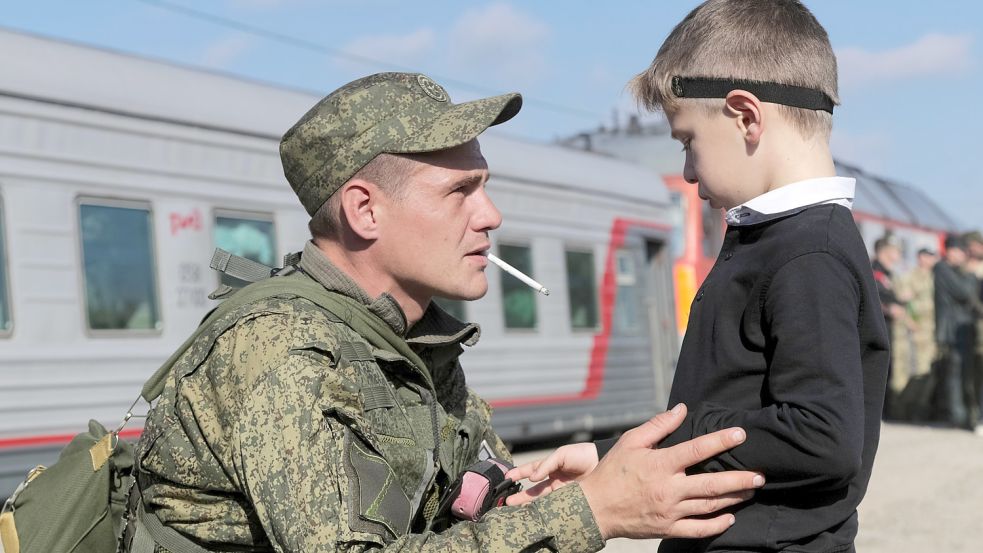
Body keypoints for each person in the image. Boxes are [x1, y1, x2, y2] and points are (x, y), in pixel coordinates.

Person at [122, 72, 765, 553]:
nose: (490, 216)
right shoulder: (280, 353)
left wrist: (528, 495)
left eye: (483, 188)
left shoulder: (408, 338)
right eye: (459, 191)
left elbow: (463, 486)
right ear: (364, 210)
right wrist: (588, 514)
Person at [510, 2, 889, 552]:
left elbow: (822, 437)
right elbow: (737, 405)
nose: (687, 170)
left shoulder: (808, 255)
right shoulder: (777, 242)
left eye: (687, 141)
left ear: (746, 116)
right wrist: (609, 454)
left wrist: (670, 447)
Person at [934, 234, 981, 430]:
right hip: (952, 330)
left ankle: (962, 414)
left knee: (964, 373)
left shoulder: (955, 271)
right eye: (960, 251)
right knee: (956, 374)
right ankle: (957, 416)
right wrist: (971, 274)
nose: (962, 256)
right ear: (950, 251)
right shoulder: (943, 269)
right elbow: (964, 292)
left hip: (962, 328)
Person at [892, 247, 938, 419]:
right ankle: (900, 411)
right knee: (907, 372)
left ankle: (920, 411)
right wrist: (909, 321)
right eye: (927, 256)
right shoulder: (909, 277)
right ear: (920, 257)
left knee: (927, 373)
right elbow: (902, 303)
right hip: (915, 332)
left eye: (932, 256)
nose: (929, 260)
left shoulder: (935, 277)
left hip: (931, 332)